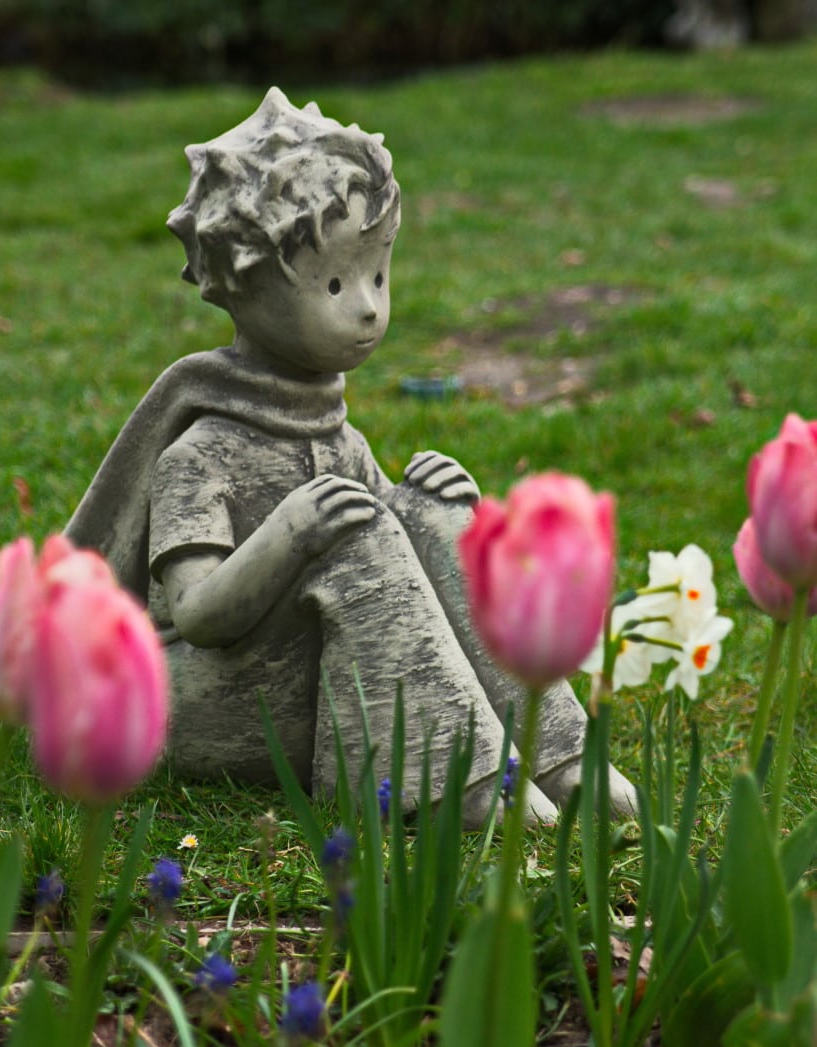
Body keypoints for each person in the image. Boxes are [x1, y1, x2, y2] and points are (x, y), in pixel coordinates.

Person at [67, 87, 634, 826]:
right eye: (334, 283)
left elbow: (400, 563)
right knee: (353, 537)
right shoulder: (203, 453)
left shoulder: (339, 438)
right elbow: (200, 613)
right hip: (204, 703)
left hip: (300, 679)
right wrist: (290, 535)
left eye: (377, 274)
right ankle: (448, 779)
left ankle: (554, 749)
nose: (368, 307)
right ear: (245, 289)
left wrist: (424, 505)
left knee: (425, 514)